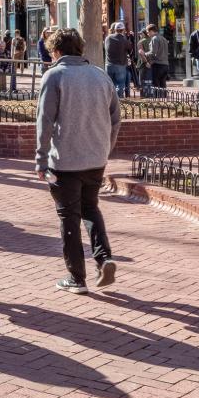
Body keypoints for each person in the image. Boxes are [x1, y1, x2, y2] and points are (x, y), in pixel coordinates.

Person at [35, 28, 120, 295]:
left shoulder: (54, 76)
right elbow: (116, 117)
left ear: (56, 50)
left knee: (68, 217)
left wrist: (40, 157)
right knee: (90, 209)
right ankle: (103, 258)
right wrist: (105, 146)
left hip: (65, 161)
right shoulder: (100, 75)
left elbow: (45, 120)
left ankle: (76, 277)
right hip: (96, 158)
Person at [104, 22, 132, 96]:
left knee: (110, 84)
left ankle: (109, 100)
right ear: (123, 30)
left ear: (115, 29)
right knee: (120, 84)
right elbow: (130, 50)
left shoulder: (108, 38)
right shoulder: (124, 40)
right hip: (120, 65)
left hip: (108, 65)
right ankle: (119, 101)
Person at [145, 24, 170, 90]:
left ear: (151, 31)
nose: (147, 34)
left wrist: (145, 53)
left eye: (147, 32)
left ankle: (157, 99)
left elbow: (153, 52)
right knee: (163, 84)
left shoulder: (154, 38)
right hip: (165, 64)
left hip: (157, 65)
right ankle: (163, 99)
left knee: (156, 84)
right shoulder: (163, 38)